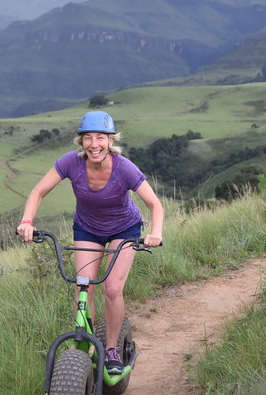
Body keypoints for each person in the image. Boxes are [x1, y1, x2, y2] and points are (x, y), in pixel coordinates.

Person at [17, 110, 164, 374]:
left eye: (100, 138)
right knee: (83, 287)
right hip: (88, 229)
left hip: (125, 228)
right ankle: (83, 345)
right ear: (80, 142)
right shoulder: (70, 163)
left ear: (110, 141)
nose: (94, 144)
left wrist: (156, 232)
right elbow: (39, 191)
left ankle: (111, 349)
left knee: (112, 289)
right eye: (87, 138)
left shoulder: (124, 168)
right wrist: (27, 221)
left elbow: (154, 204)